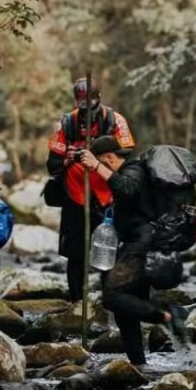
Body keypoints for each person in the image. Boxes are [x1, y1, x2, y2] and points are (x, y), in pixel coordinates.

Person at [78, 136, 189, 368]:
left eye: (101, 162)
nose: (98, 168)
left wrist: (96, 167)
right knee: (125, 308)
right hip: (131, 242)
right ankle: (139, 364)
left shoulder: (134, 170)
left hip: (142, 244)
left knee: (112, 296)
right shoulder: (129, 171)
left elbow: (127, 189)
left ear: (109, 158)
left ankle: (168, 315)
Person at [47, 78, 134, 301]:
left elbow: (125, 159)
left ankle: (110, 299)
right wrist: (68, 159)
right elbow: (52, 166)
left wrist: (97, 159)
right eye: (82, 106)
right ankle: (76, 302)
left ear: (99, 99)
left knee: (108, 252)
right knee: (75, 255)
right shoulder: (66, 123)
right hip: (75, 196)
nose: (87, 116)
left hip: (106, 197)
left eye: (91, 106)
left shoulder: (115, 121)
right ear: (76, 102)